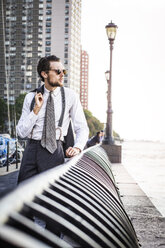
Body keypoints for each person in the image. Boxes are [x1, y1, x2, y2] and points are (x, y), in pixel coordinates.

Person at [17, 55, 89, 183]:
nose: (62, 75)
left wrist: (77, 147)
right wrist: (35, 111)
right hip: (31, 150)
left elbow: (81, 127)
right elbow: (21, 133)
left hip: (54, 151)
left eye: (64, 71)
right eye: (58, 71)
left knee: (51, 197)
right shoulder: (30, 97)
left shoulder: (70, 96)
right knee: (23, 196)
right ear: (44, 74)